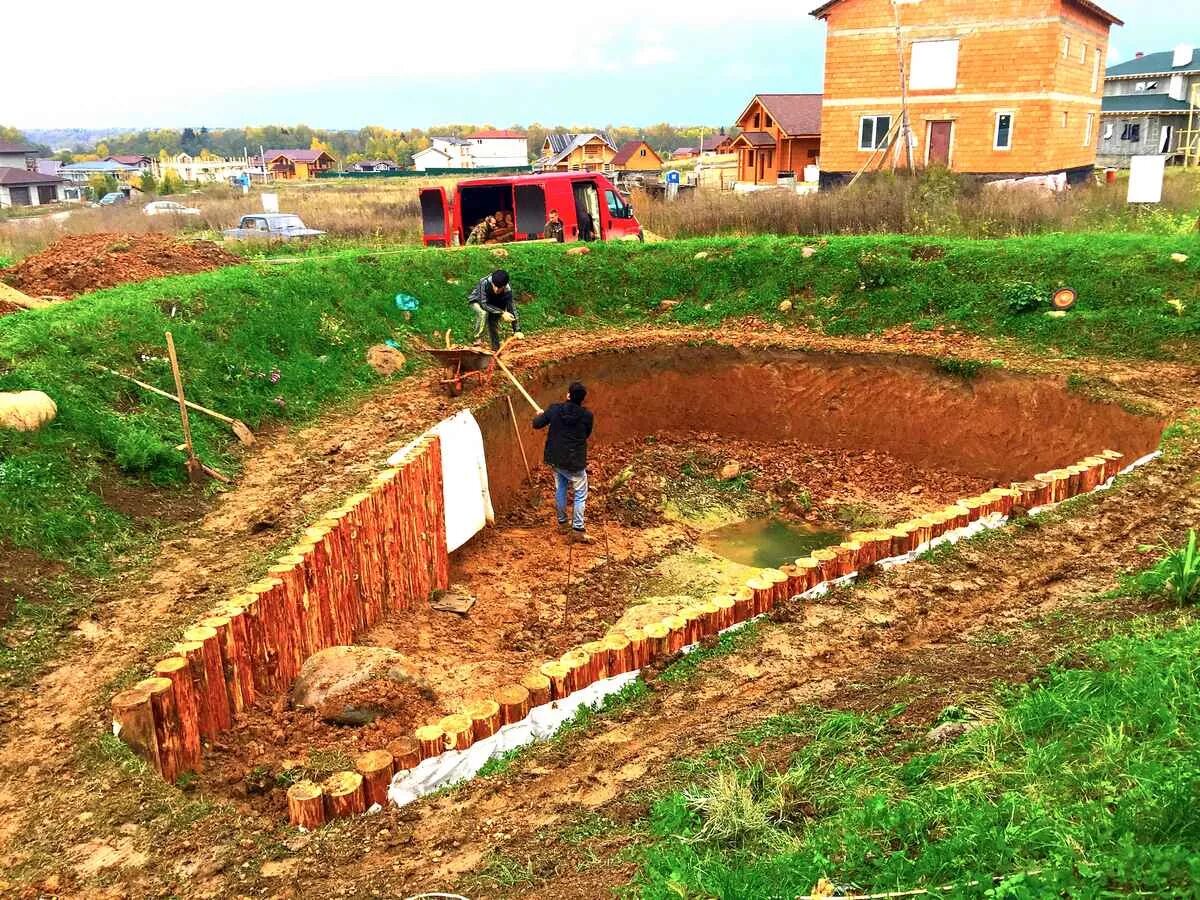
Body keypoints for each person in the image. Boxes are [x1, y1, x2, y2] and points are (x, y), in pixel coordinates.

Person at [532, 382, 594, 542]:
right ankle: (578, 529)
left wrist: (541, 415)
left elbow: (536, 424)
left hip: (556, 458)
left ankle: (562, 523)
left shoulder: (554, 409)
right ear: (582, 399)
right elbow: (585, 434)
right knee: (580, 494)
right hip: (574, 461)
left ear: (568, 395)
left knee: (561, 487)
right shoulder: (587, 416)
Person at [468, 269, 522, 350]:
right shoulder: (484, 282)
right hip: (478, 301)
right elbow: (484, 304)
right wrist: (502, 313)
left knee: (492, 323)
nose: (497, 289)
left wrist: (517, 330)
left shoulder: (507, 290)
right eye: (495, 286)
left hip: (494, 304)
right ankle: (477, 340)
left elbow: (512, 308)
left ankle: (495, 350)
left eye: (500, 287)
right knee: (483, 314)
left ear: (504, 286)